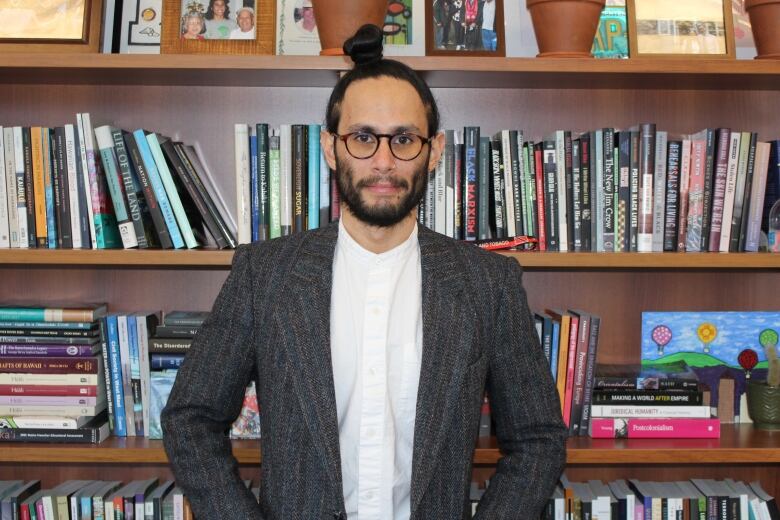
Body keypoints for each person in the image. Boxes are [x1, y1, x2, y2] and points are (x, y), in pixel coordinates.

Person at [162, 24, 566, 520]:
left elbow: (538, 439)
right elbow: (190, 420)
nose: (382, 161)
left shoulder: (489, 283)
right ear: (331, 149)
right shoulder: (263, 274)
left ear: (434, 151)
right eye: (362, 138)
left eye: (403, 139)